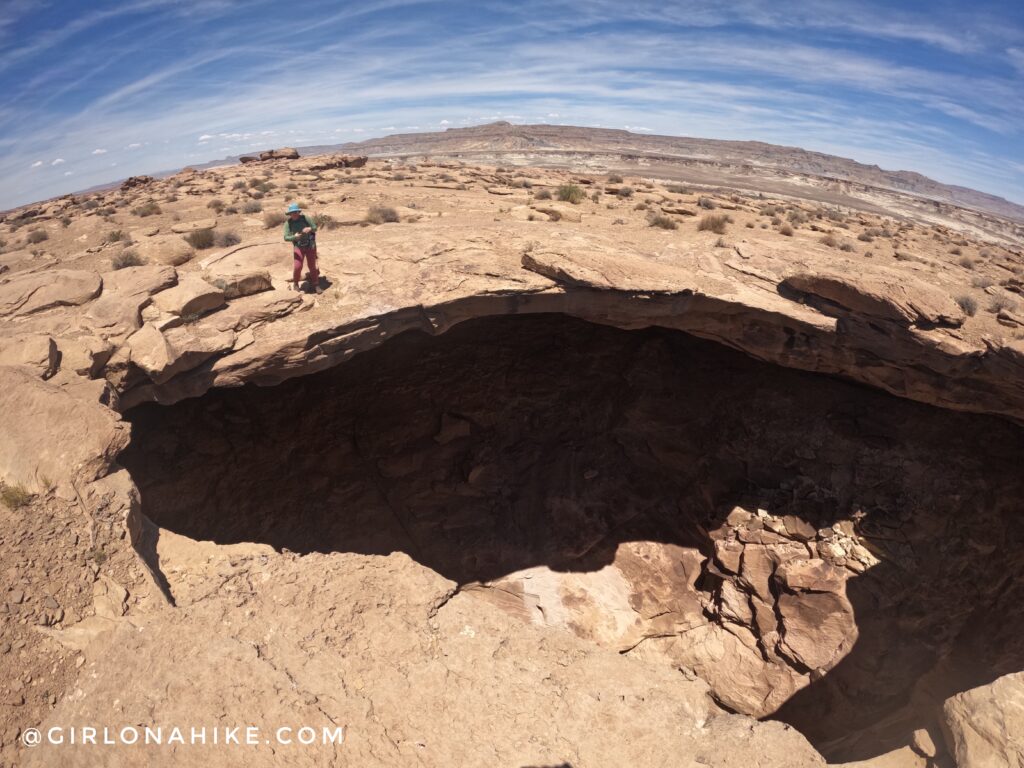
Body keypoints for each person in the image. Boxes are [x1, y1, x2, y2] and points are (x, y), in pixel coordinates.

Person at [282, 203, 321, 293]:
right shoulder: (288, 223)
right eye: (292, 213)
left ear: (298, 212)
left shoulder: (305, 218)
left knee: (312, 266)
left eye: (296, 212)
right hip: (298, 246)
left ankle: (316, 284)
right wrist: (294, 237)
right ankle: (296, 283)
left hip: (310, 245)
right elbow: (286, 237)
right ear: (290, 214)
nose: (294, 214)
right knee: (298, 266)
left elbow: (315, 227)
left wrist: (310, 228)